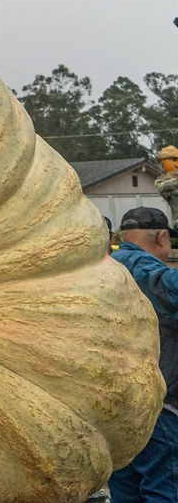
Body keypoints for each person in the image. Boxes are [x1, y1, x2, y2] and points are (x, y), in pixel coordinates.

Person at [108, 206, 178, 502]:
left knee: (125, 489)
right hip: (155, 409)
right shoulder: (137, 266)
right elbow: (168, 288)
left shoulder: (105, 264)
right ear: (162, 237)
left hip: (113, 405)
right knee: (164, 488)